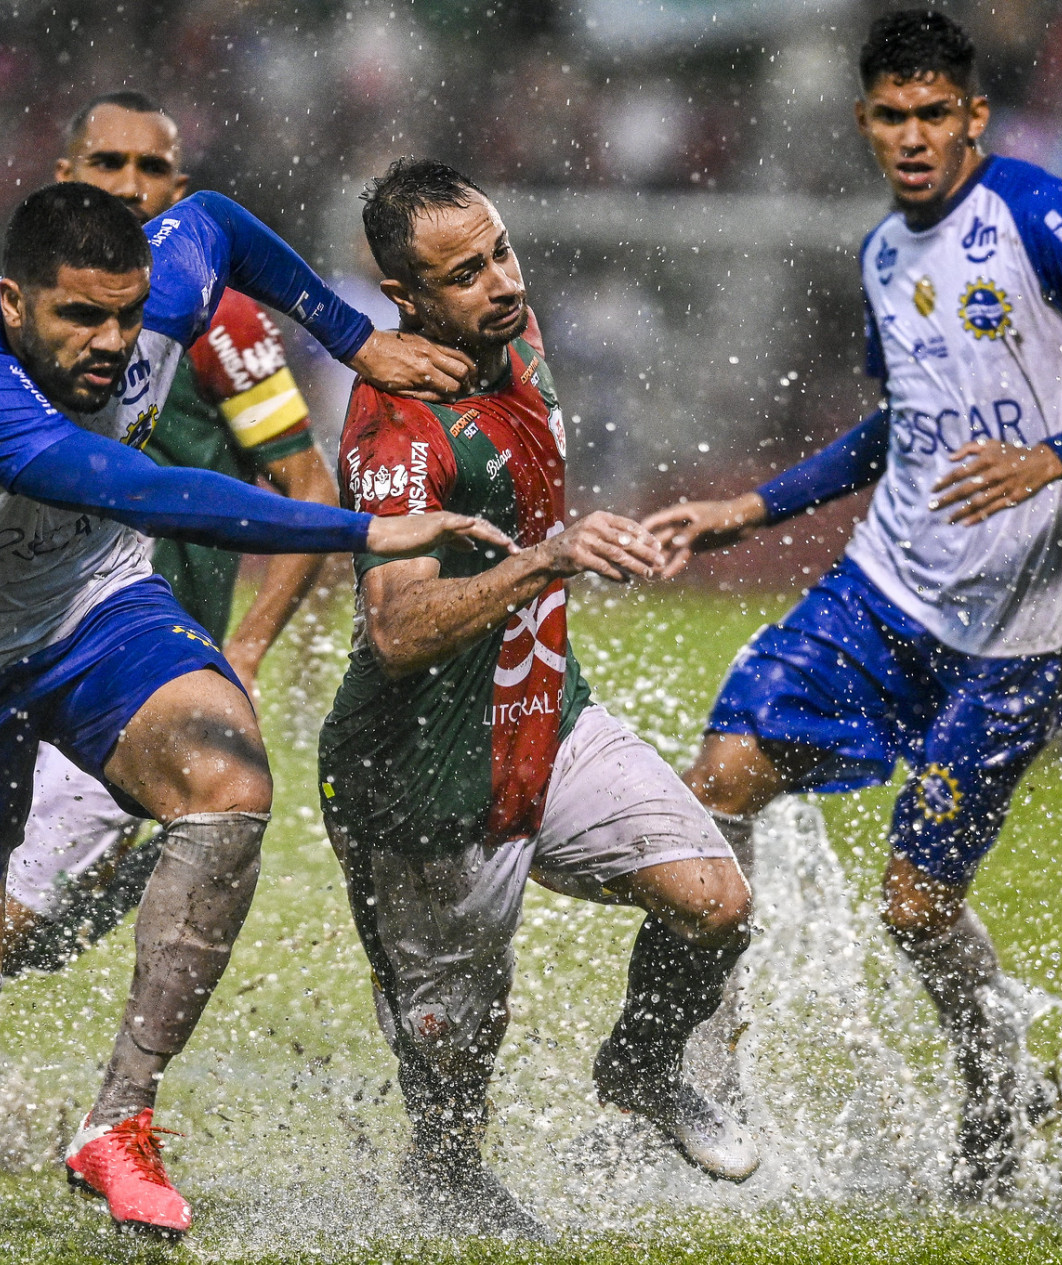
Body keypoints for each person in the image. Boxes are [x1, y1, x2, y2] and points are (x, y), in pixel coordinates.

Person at [0, 180, 504, 1244]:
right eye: (80, 317)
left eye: (128, 313)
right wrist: (360, 531)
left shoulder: (161, 287)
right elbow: (134, 486)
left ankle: (118, 1117)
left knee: (230, 783)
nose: (112, 341)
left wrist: (354, 339)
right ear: (14, 302)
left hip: (88, 606)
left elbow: (220, 221)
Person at [641, 9, 1062, 1201]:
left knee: (915, 909)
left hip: (1016, 641)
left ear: (972, 117)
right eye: (890, 116)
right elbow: (906, 419)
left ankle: (996, 1085)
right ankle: (689, 1069)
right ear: (866, 121)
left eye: (932, 114)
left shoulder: (1040, 214)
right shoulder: (882, 257)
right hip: (884, 591)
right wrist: (748, 507)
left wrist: (1056, 455)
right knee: (719, 779)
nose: (911, 137)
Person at [316, 158, 759, 1240]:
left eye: (501, 250)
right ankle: (446, 1175)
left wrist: (554, 560)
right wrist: (548, 559)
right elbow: (395, 626)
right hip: (418, 775)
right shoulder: (392, 429)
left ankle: (642, 1066)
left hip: (545, 712)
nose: (502, 282)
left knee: (715, 901)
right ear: (404, 301)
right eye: (463, 274)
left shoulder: (514, 335)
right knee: (458, 1051)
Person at [0, 89, 345, 1000]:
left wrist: (243, 647)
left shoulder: (219, 319)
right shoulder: (3, 333)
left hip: (123, 659)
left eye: (152, 167)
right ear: (64, 180)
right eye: (108, 165)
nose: (130, 184)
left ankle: (118, 880)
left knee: (18, 931)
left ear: (178, 184)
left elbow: (305, 484)